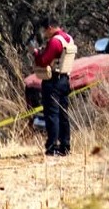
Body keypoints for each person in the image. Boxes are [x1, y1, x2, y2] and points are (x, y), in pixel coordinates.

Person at [29, 15, 77, 156]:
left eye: (45, 31)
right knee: (63, 114)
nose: (44, 34)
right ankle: (65, 145)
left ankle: (52, 147)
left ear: (50, 28)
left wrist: (36, 53)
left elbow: (43, 61)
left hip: (53, 81)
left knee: (52, 115)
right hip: (65, 80)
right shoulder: (68, 38)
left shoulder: (55, 41)